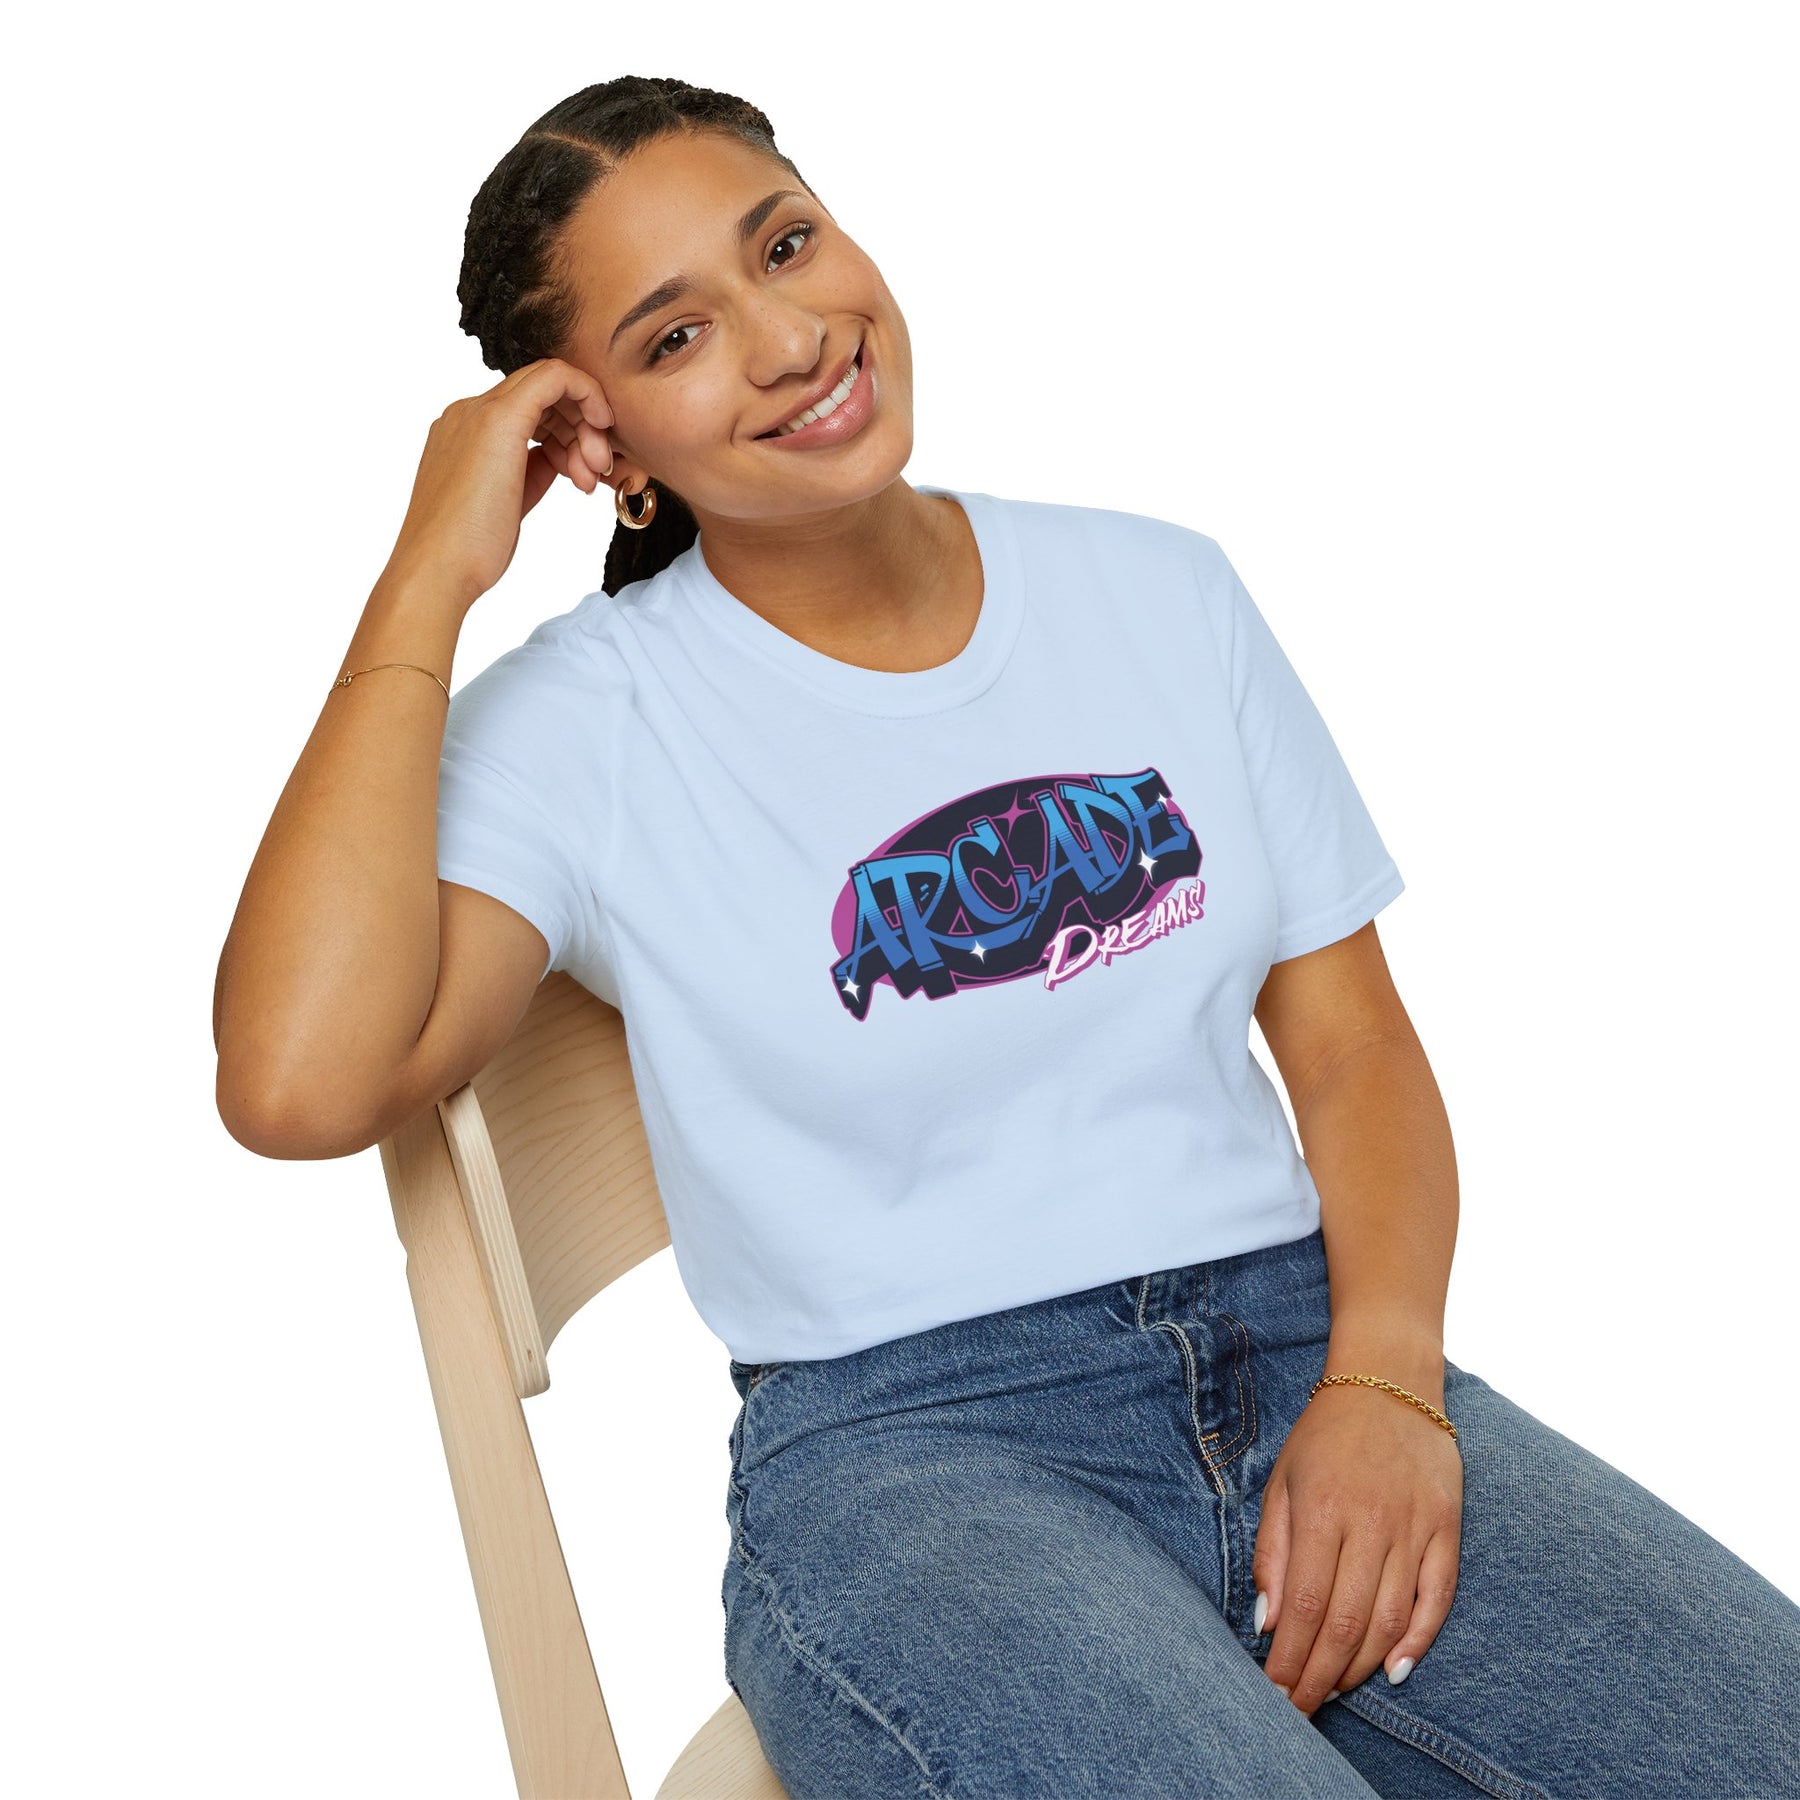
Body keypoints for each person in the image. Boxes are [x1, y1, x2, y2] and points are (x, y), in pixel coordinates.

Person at [213, 75, 1800, 1799]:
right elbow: (298, 1082)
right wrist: (426, 576)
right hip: (914, 1461)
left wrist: (1388, 1383)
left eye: (786, 246)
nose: (790, 340)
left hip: (1307, 1348)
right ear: (605, 447)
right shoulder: (590, 724)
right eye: (677, 337)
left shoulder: (1163, 592)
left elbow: (1353, 1052)